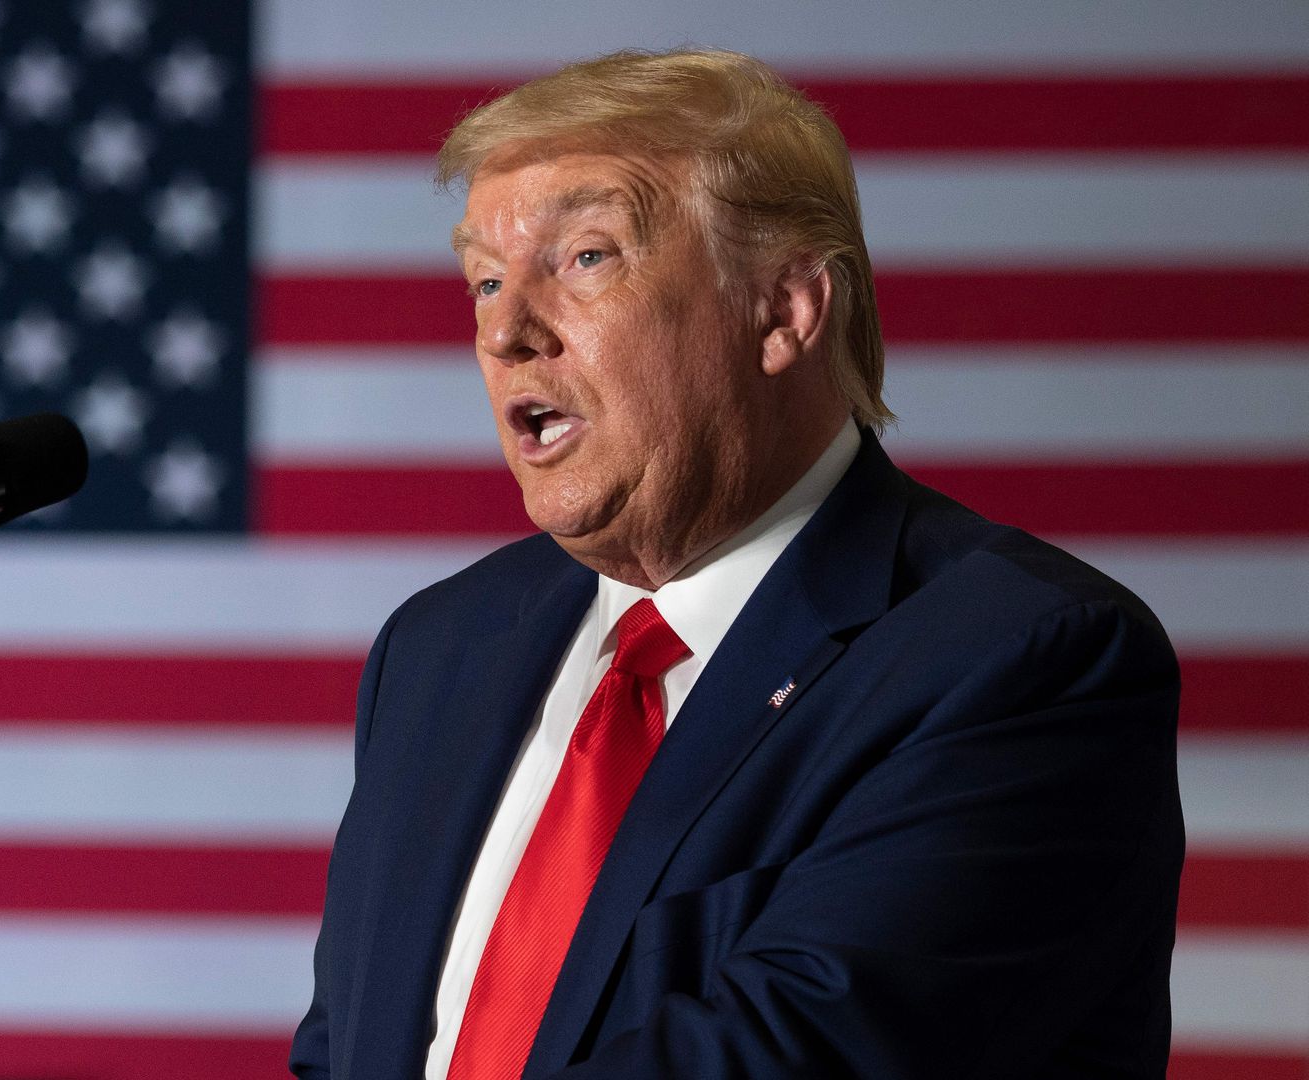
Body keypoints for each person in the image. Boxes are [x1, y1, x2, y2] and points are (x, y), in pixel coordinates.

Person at [289, 49, 1183, 1079]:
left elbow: (789, 1054)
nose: (503, 330)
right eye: (484, 279)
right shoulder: (440, 649)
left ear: (785, 312)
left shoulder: (1018, 663)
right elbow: (345, 1050)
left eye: (585, 257)